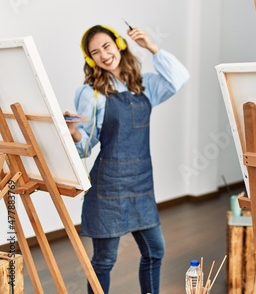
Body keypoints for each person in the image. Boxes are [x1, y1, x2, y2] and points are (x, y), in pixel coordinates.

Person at [66, 24, 189, 294]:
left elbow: (179, 78)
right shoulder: (92, 94)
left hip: (141, 184)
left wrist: (151, 46)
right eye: (95, 52)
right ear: (90, 59)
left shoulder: (143, 86)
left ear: (119, 44)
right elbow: (85, 147)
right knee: (104, 260)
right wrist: (74, 132)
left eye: (107, 46)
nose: (103, 54)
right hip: (108, 188)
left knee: (155, 251)